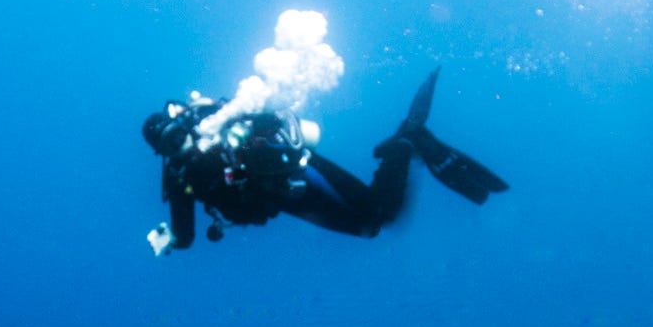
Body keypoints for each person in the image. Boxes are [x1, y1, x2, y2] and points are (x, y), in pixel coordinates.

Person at [141, 69, 508, 255]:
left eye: (178, 136)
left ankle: (406, 141)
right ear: (163, 154)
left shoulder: (218, 126)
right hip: (284, 201)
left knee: (379, 215)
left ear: (182, 126)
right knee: (372, 227)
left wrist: (250, 136)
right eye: (170, 147)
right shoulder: (179, 176)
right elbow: (186, 234)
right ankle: (405, 143)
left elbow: (269, 117)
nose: (181, 146)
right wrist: (168, 239)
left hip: (300, 169)